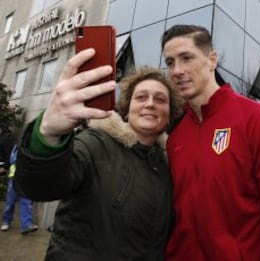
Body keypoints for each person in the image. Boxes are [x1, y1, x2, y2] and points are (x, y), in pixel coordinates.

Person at [160, 24, 260, 260]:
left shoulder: (257, 119)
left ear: (212, 60)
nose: (177, 70)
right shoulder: (177, 138)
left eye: (186, 58)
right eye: (170, 63)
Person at [14, 49, 182, 260]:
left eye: (160, 99)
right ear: (127, 108)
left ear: (170, 114)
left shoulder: (170, 166)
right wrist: (48, 133)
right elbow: (39, 186)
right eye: (141, 97)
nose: (150, 103)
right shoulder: (95, 143)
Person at [0, 144, 38, 234]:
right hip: (14, 178)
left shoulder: (32, 147)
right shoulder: (17, 147)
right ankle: (6, 221)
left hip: (26, 178)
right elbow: (13, 160)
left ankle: (26, 225)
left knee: (26, 201)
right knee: (10, 202)